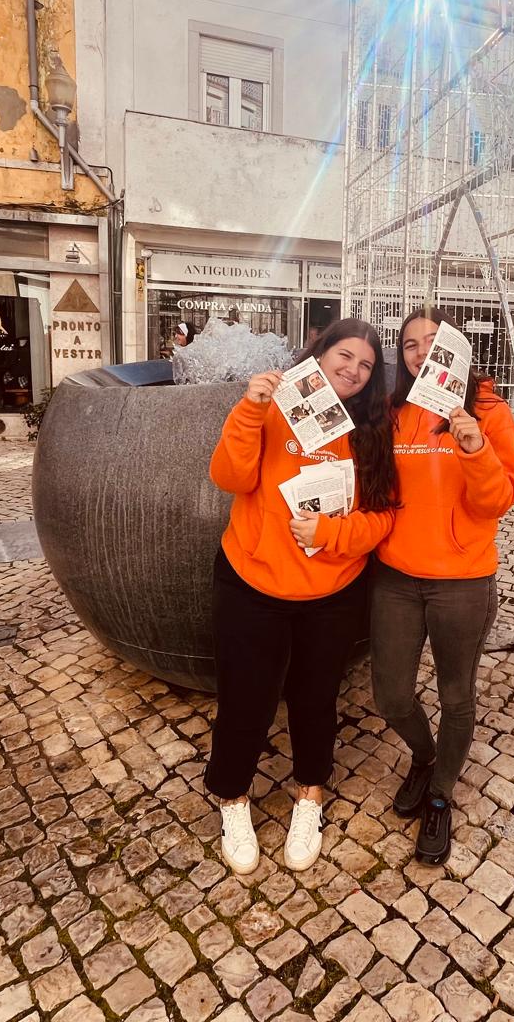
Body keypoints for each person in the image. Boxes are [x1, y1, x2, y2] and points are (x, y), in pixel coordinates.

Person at [205, 318, 399, 874]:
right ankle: (233, 797)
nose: (353, 370)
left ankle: (309, 794)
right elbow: (229, 477)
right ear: (320, 352)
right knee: (245, 698)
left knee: (316, 699)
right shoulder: (273, 406)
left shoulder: (371, 431)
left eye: (366, 365)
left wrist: (331, 533)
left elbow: (382, 518)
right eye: (345, 355)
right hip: (252, 581)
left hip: (330, 590)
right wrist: (250, 409)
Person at [373, 306, 514, 864]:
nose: (420, 352)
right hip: (396, 577)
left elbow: (497, 501)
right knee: (390, 696)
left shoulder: (488, 411)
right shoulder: (395, 412)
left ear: (454, 348)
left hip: (461, 580)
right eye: (409, 344)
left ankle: (440, 794)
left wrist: (474, 448)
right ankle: (425, 755)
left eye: (431, 341)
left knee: (456, 694)